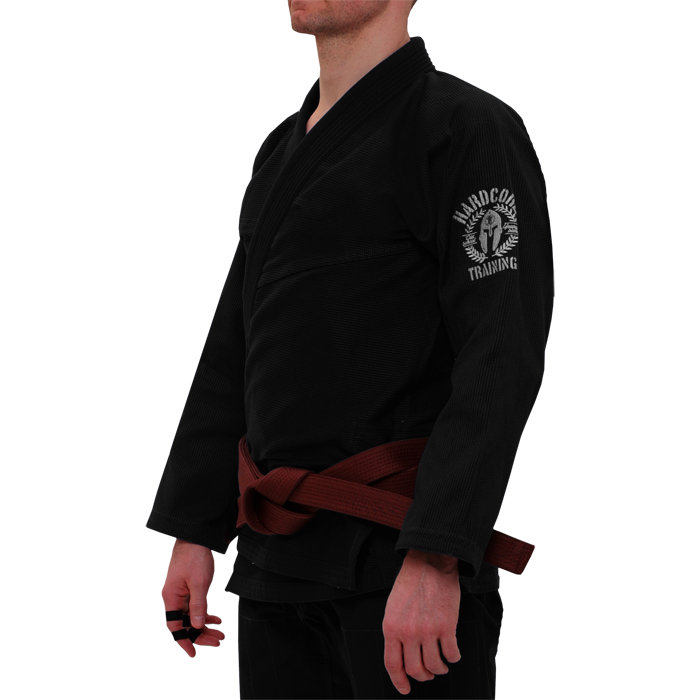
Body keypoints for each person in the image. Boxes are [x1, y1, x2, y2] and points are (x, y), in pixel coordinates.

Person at [147, 1, 554, 697]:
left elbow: (500, 354)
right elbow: (234, 350)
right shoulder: (282, 149)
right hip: (276, 566)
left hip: (398, 567)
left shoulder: (465, 129)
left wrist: (437, 554)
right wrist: (197, 529)